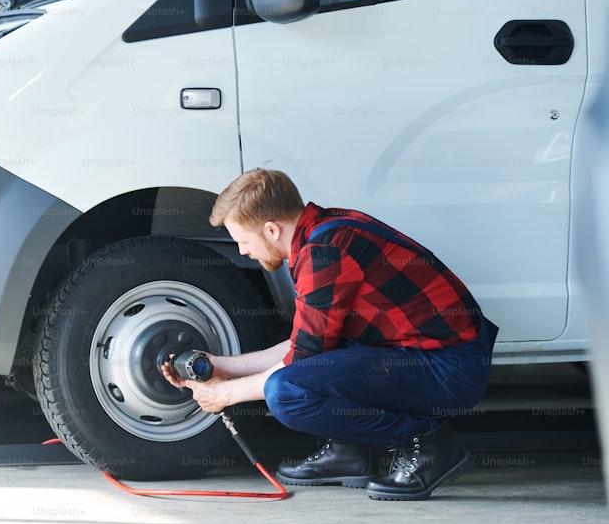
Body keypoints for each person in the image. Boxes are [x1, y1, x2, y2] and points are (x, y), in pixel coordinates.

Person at [162, 168, 499, 500]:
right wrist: (219, 365)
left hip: (448, 369)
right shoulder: (327, 232)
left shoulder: (326, 252)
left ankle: (430, 445)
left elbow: (299, 364)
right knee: (313, 366)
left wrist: (226, 395)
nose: (243, 252)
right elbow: (304, 345)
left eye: (244, 241)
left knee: (286, 393)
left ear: (271, 229)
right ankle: (347, 454)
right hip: (433, 358)